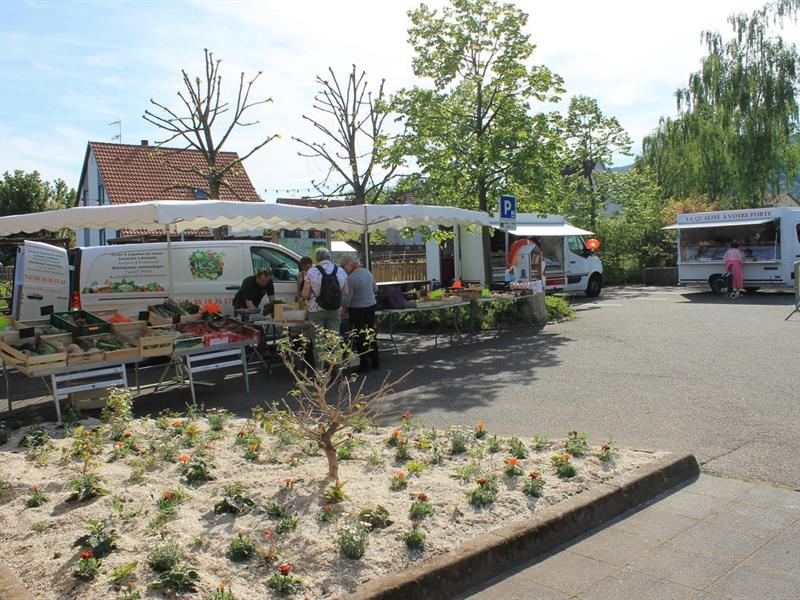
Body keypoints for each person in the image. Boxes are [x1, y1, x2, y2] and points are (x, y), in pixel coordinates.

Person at [341, 255, 379, 371]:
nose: (343, 270)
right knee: (370, 333)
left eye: (343, 267)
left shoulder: (351, 279)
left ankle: (364, 364)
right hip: (371, 306)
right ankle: (375, 362)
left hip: (357, 309)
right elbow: (375, 289)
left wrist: (340, 302)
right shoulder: (367, 272)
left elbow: (347, 300)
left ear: (349, 265)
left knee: (360, 335)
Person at [302, 247, 348, 343]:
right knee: (334, 339)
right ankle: (336, 358)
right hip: (334, 309)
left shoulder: (312, 271)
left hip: (316, 309)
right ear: (330, 257)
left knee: (319, 341)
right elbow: (345, 292)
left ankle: (321, 358)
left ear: (317, 258)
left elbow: (305, 294)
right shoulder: (340, 270)